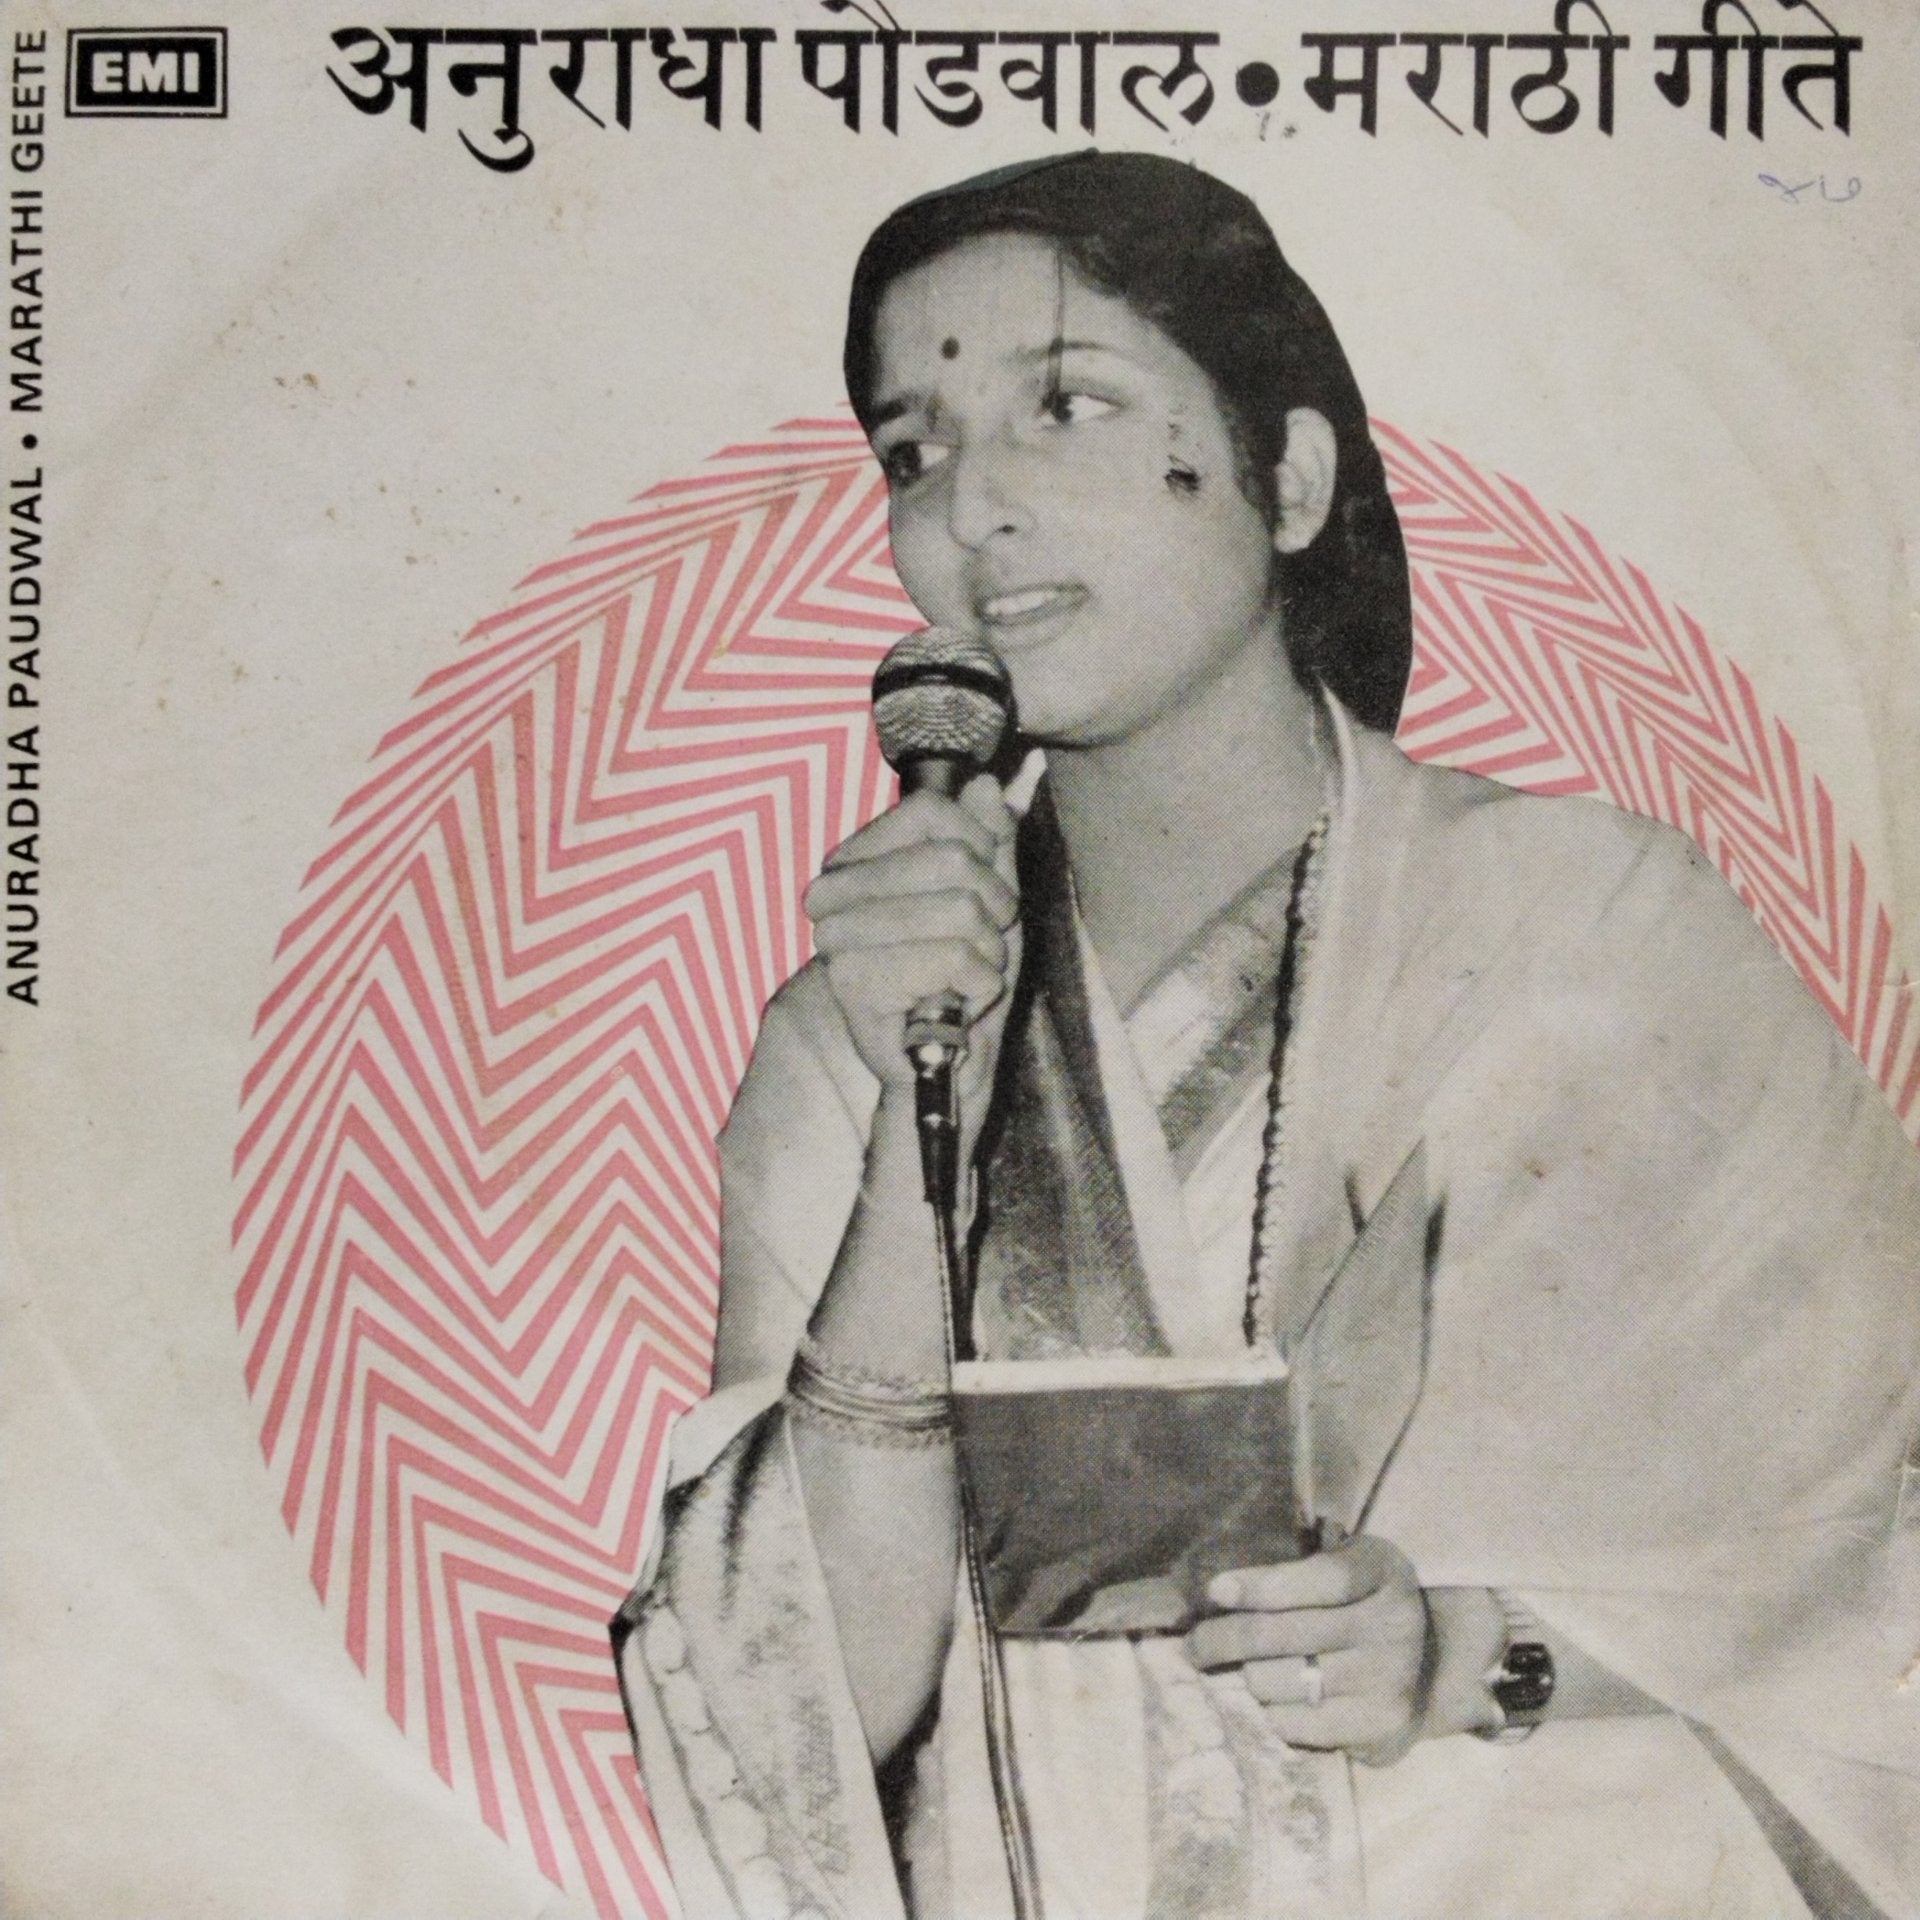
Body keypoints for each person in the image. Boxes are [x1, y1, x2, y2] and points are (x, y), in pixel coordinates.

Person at [615, 152, 1920, 1919]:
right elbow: (796, 1715)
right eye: (912, 449)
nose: (971, 506)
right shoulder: (857, 1034)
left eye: (1063, 404)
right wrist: (936, 1125)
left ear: (1288, 480)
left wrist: (1464, 1651)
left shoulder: (1594, 923)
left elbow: (1870, 1562)